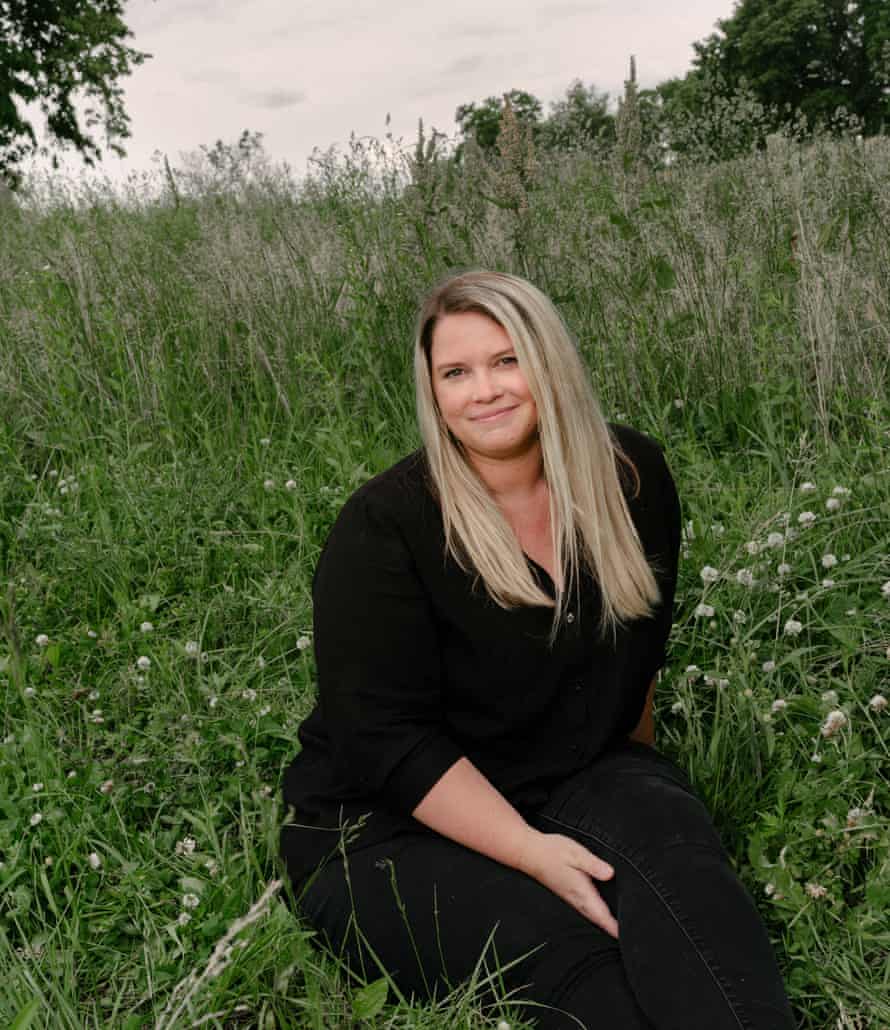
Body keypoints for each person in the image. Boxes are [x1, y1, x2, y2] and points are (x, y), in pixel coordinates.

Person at [280, 270, 795, 1029]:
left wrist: (644, 808)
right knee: (583, 963)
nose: (483, 390)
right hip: (385, 825)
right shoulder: (386, 527)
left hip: (573, 771)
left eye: (506, 360)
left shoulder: (630, 477)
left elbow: (638, 656)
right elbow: (381, 741)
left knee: (694, 899)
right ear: (433, 392)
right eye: (456, 373)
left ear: (549, 362)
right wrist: (532, 853)